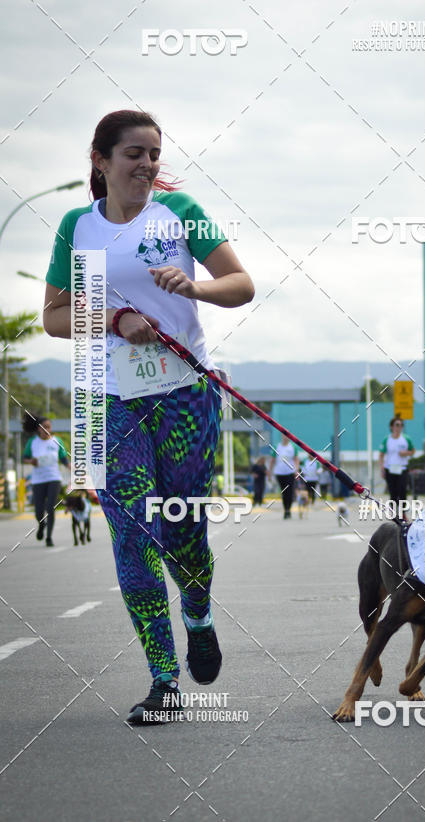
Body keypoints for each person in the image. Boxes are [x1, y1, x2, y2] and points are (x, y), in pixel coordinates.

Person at [43, 109, 254, 724]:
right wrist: (112, 320)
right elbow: (55, 317)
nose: (146, 164)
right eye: (133, 153)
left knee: (184, 525)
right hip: (103, 396)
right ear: (101, 161)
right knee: (131, 530)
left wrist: (194, 291)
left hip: (184, 391)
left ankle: (198, 612)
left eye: (154, 154)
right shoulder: (75, 227)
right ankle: (164, 680)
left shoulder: (179, 212)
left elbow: (241, 284)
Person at [22, 415, 70, 546]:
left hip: (54, 478)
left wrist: (71, 467)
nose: (47, 429)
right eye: (45, 427)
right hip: (38, 480)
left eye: (49, 427)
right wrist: (31, 461)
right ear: (39, 429)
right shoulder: (33, 442)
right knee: (38, 510)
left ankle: (49, 537)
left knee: (50, 507)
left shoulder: (57, 441)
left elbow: (64, 459)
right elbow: (24, 458)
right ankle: (41, 524)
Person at [379, 416, 415, 519]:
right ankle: (393, 513)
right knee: (393, 492)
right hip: (390, 469)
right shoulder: (387, 439)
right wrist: (382, 468)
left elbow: (412, 451)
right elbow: (381, 455)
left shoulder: (406, 439)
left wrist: (406, 453)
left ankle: (403, 513)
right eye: (397, 425)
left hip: (402, 469)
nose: (399, 427)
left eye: (401, 425)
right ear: (392, 427)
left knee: (402, 490)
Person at [268, 435, 299, 519]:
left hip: (290, 472)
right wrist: (269, 472)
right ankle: (286, 509)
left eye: (287, 436)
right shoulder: (276, 446)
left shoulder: (293, 447)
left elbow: (296, 459)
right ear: (282, 436)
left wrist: (296, 470)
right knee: (284, 492)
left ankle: (288, 509)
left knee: (290, 492)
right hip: (280, 473)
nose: (286, 437)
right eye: (284, 435)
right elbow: (272, 460)